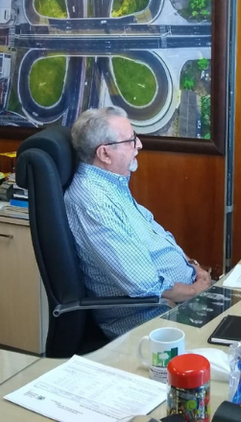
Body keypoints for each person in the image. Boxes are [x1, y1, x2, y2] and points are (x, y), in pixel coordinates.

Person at [64, 106, 212, 338]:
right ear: (105, 154)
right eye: (131, 140)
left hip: (183, 295)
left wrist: (193, 267)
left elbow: (158, 237)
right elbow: (144, 284)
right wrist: (195, 291)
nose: (139, 145)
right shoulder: (94, 202)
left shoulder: (112, 185)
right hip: (154, 317)